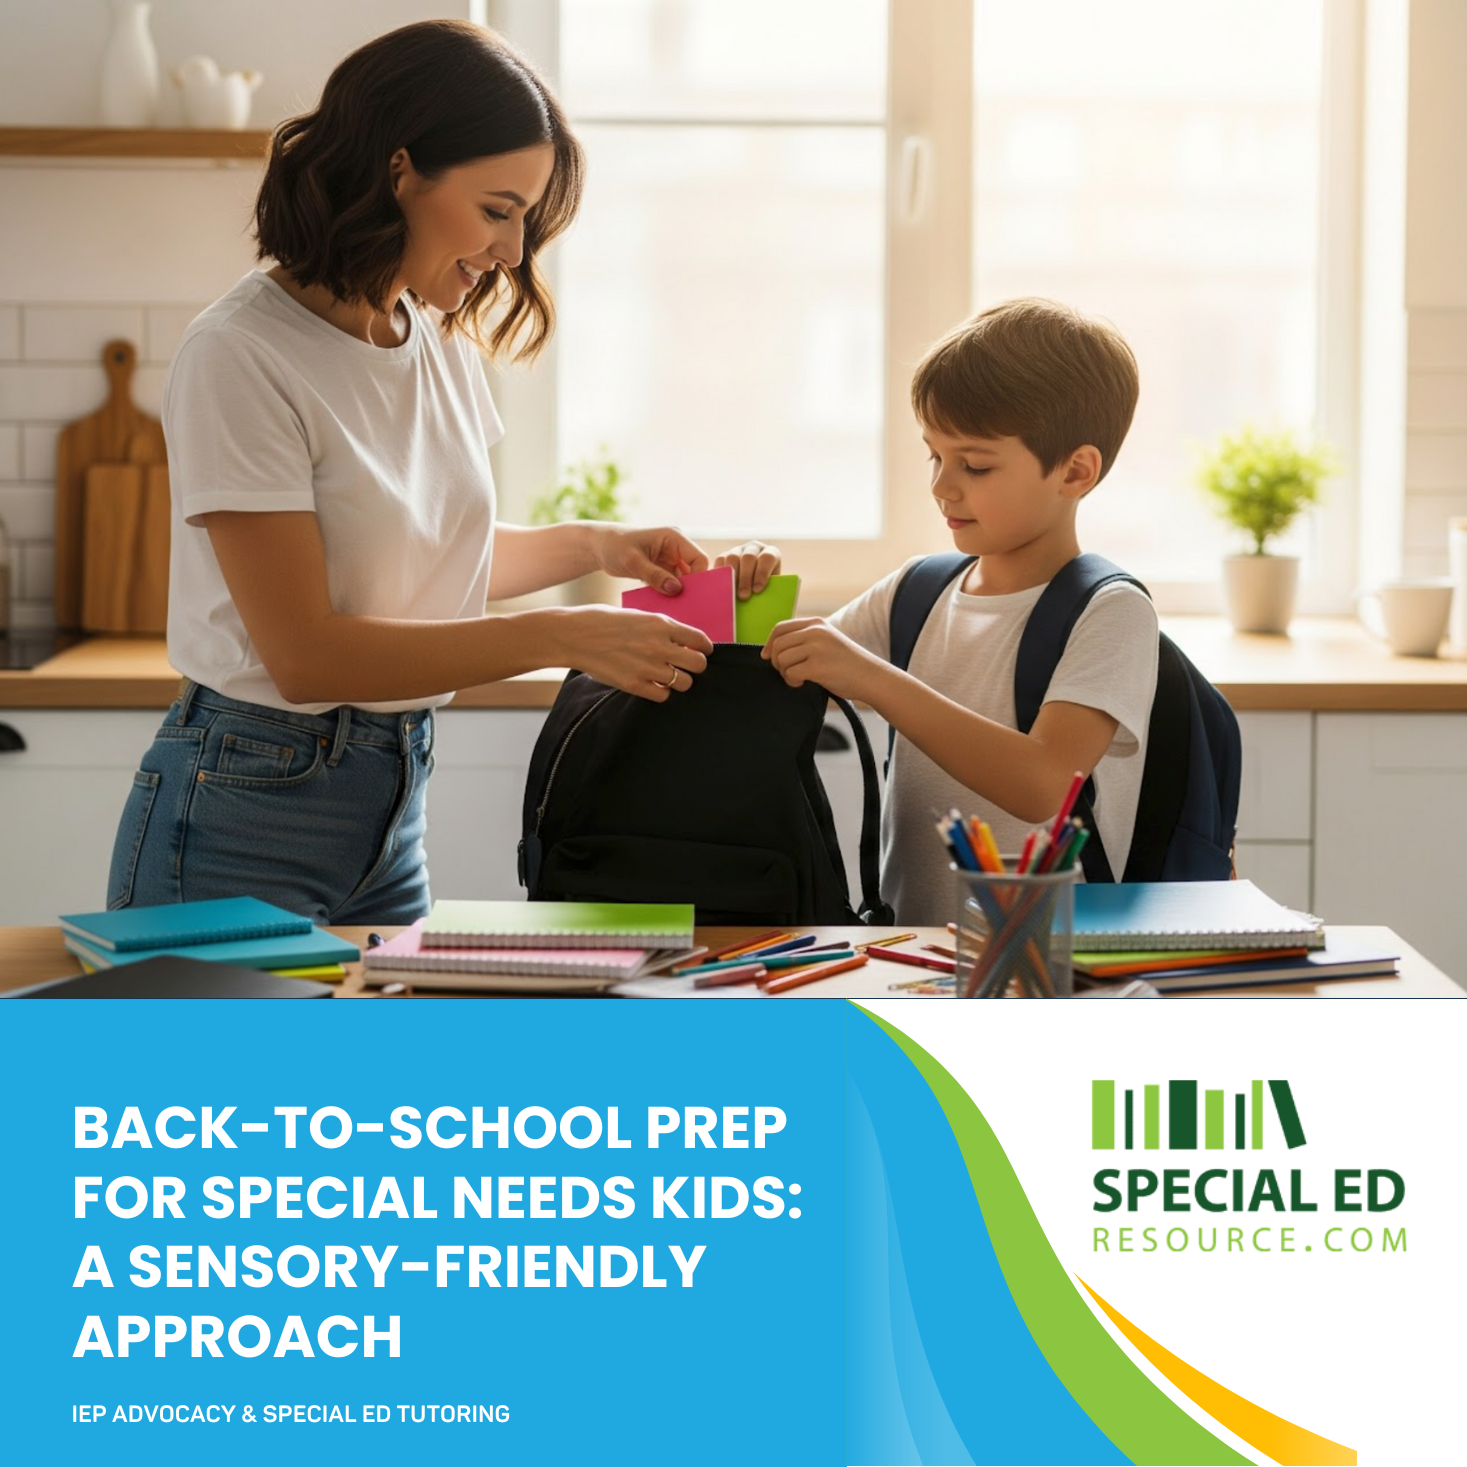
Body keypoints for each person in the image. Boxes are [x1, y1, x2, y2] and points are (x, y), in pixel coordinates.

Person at [105, 19, 767, 924]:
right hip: (245, 803)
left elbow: (428, 556)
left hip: (390, 808)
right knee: (220, 1073)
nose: (511, 252)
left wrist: (598, 544)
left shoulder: (435, 342)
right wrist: (562, 638)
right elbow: (306, 655)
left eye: (524, 219)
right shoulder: (242, 353)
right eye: (498, 209)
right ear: (399, 170)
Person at [761, 298, 1159, 925]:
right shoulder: (915, 592)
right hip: (911, 957)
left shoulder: (1110, 611)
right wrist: (744, 598)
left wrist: (870, 676)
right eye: (935, 456)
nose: (943, 486)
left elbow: (1044, 784)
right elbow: (779, 675)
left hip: (1045, 965)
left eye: (974, 464)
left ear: (1076, 471)